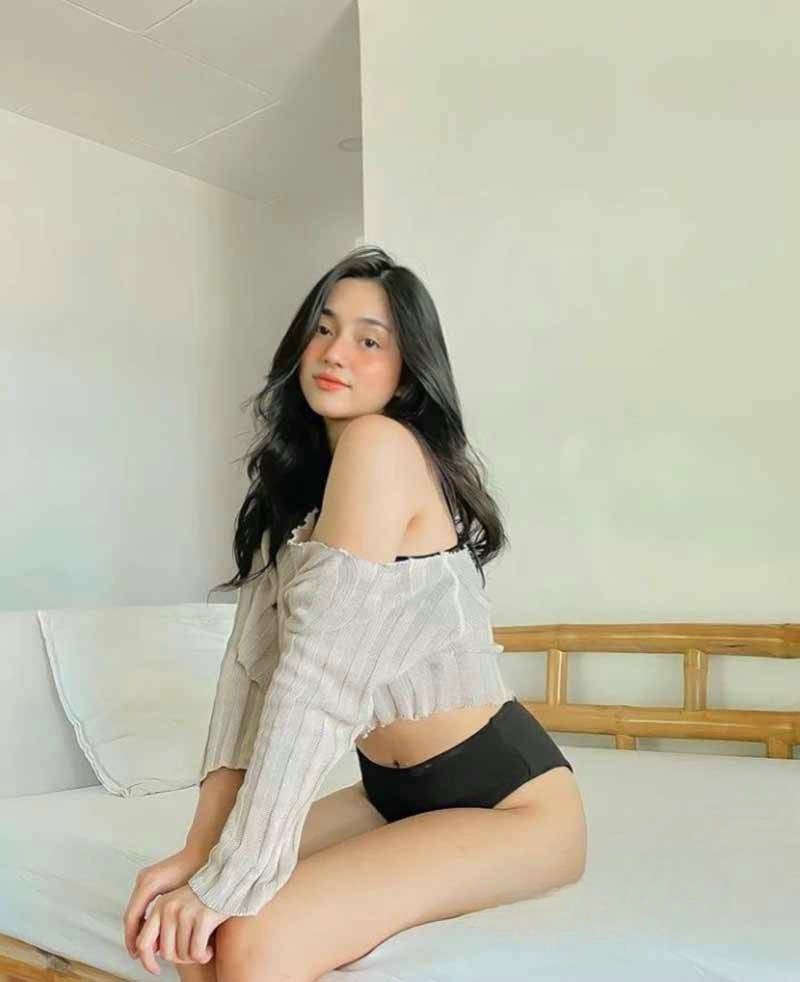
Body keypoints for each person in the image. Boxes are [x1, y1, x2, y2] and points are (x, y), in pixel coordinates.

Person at [123, 245, 587, 980]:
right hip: (390, 794)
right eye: (324, 328)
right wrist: (201, 851)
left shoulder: (380, 445)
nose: (336, 352)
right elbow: (250, 681)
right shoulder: (300, 492)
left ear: (408, 370)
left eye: (370, 341)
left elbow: (319, 682)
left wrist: (236, 871)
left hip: (510, 803)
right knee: (192, 928)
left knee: (249, 939)